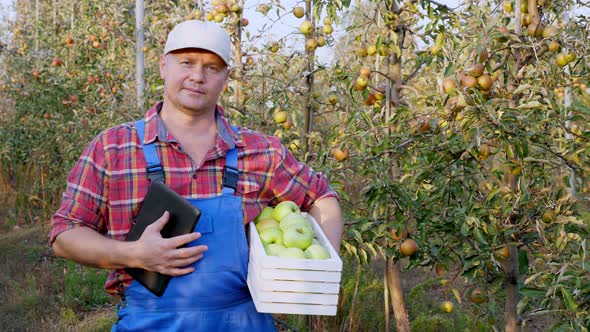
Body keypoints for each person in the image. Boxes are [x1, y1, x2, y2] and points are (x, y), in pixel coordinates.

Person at [49, 20, 343, 331]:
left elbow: (321, 197)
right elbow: (66, 234)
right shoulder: (113, 148)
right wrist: (133, 254)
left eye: (212, 67)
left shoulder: (262, 152)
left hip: (244, 321)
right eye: (187, 62)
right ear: (164, 66)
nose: (197, 76)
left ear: (226, 78)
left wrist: (321, 266)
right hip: (149, 322)